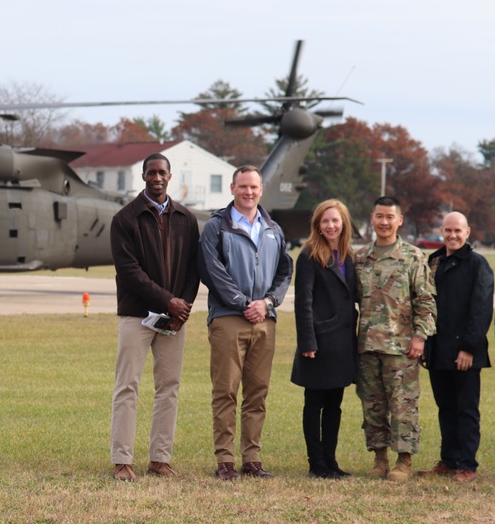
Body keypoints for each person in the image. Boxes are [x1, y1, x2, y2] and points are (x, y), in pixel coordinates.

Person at [109, 153, 201, 482]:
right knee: (127, 387)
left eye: (162, 172)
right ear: (144, 176)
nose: (157, 177)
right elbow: (129, 271)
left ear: (170, 176)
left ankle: (160, 459)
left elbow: (194, 269)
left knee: (169, 388)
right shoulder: (125, 219)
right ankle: (122, 461)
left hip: (174, 321)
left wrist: (183, 308)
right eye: (151, 172)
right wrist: (168, 301)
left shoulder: (186, 219)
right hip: (136, 316)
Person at [198, 165, 292, 480]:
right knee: (225, 390)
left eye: (253, 187)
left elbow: (284, 272)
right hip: (228, 319)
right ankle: (225, 461)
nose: (248, 192)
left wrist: (267, 302)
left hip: (265, 320)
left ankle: (252, 459)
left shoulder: (273, 229)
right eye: (242, 187)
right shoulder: (216, 227)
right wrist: (242, 304)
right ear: (232, 188)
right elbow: (212, 270)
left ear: (261, 190)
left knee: (257, 392)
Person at [355, 196, 436, 481]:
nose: (384, 222)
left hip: (402, 348)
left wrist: (420, 338)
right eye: (379, 216)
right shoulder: (361, 257)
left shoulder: (413, 257)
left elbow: (425, 302)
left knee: (403, 406)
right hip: (367, 346)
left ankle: (404, 461)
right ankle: (379, 459)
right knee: (373, 405)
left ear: (399, 220)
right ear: (372, 218)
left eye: (390, 217)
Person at [417, 212, 494, 484]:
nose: (452, 235)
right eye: (448, 230)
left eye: (458, 231)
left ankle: (467, 464)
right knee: (445, 407)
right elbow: (426, 305)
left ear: (468, 232)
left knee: (466, 409)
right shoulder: (434, 261)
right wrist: (426, 344)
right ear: (441, 230)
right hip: (438, 349)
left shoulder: (477, 265)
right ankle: (449, 460)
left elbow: (481, 309)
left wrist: (469, 349)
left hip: (465, 354)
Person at [291, 199, 357, 479]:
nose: (331, 225)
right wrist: (308, 342)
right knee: (314, 403)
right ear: (318, 225)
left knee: (335, 405)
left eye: (335, 220)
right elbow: (302, 302)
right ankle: (316, 463)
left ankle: (331, 460)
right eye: (325, 221)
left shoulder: (349, 256)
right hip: (319, 343)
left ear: (344, 224)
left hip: (343, 343)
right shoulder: (308, 255)